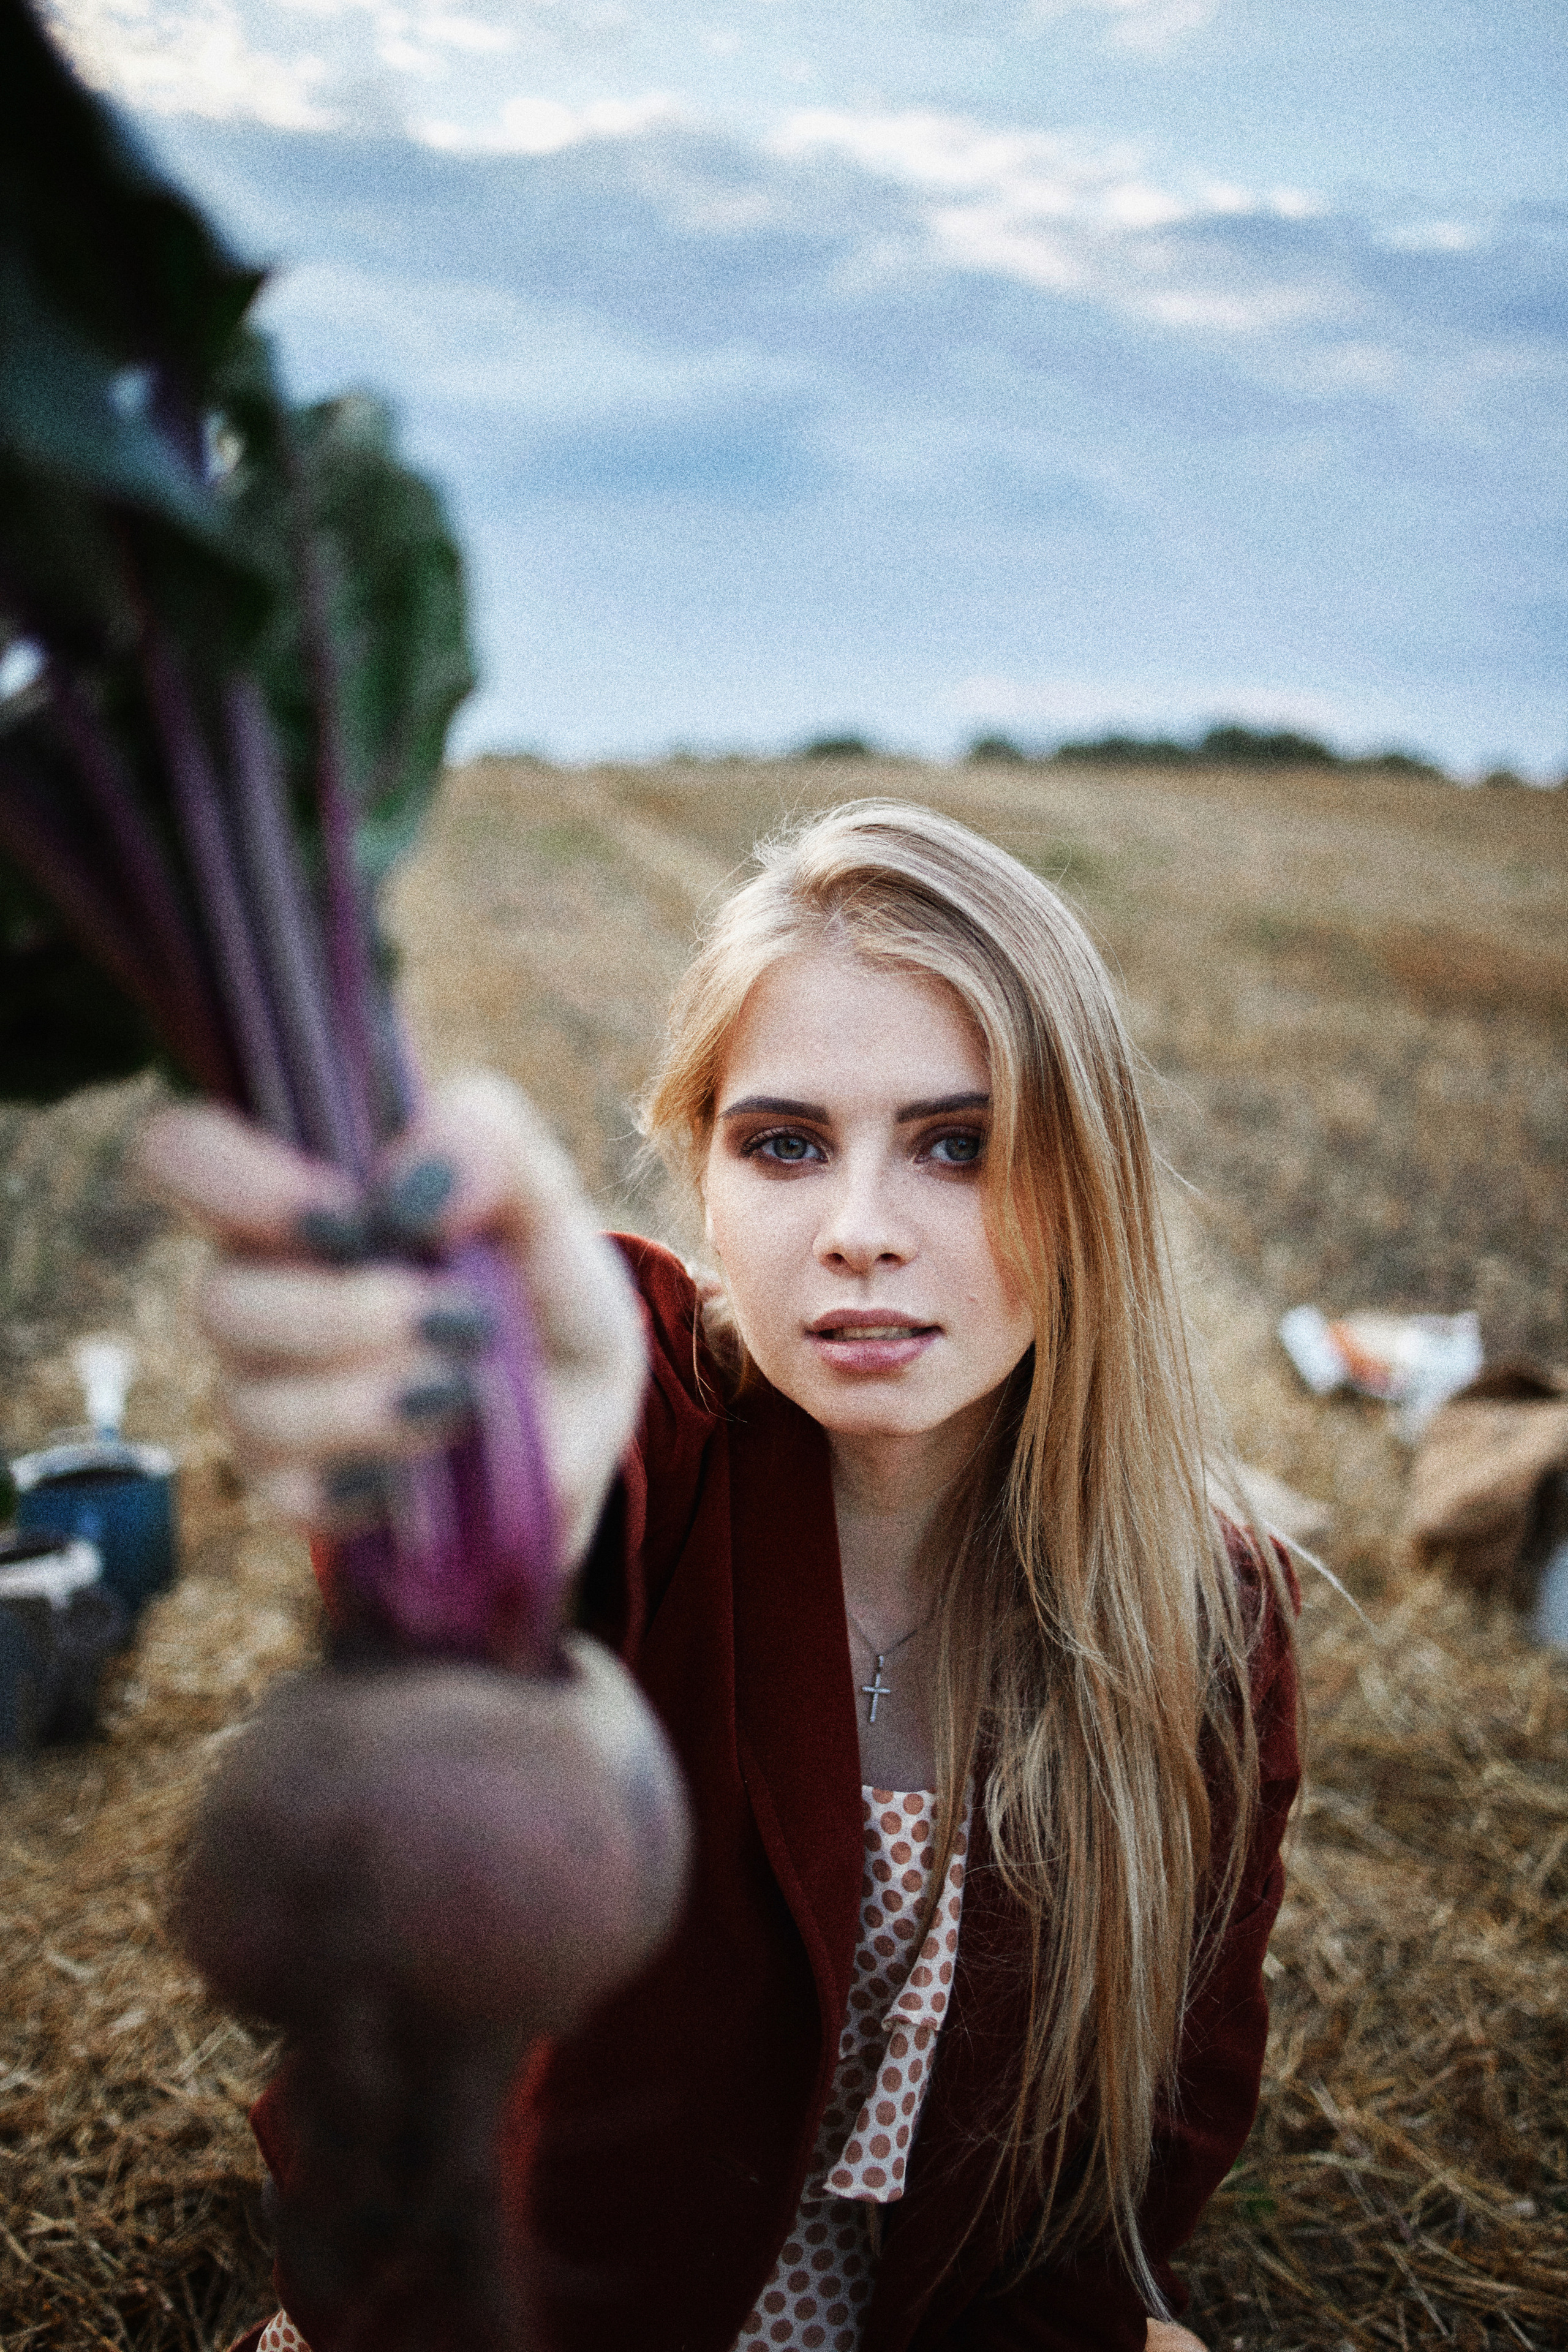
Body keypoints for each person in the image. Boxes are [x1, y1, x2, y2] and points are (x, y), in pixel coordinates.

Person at [140, 800, 1300, 2352]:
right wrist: (473, 1463)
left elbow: (1158, 2144)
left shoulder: (1208, 1620)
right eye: (784, 1145)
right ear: (702, 1171)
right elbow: (555, 1465)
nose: (859, 1233)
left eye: (958, 1145)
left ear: (1084, 1181)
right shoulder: (650, 1457)